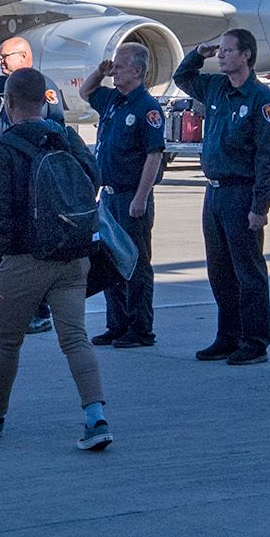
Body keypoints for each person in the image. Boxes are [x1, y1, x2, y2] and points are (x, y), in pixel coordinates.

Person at [0, 67, 112, 450]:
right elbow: (94, 176)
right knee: (75, 338)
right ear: (44, 102)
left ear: (8, 102)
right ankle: (95, 417)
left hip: (23, 258)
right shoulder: (67, 137)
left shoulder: (2, 148)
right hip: (72, 254)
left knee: (7, 339)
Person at [173, 30, 270, 365]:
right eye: (219, 50)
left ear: (246, 55)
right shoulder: (215, 87)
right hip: (215, 191)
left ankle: (255, 341)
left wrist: (260, 206)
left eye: (227, 50)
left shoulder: (261, 99)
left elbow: (268, 158)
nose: (220, 55)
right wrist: (198, 53)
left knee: (247, 270)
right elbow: (182, 77)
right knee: (219, 270)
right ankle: (228, 335)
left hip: (241, 191)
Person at [0, 37, 64, 333]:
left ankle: (38, 311)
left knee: (28, 245)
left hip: (28, 174)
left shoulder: (40, 87)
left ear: (24, 56)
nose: (0, 61)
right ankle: (11, 310)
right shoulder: (1, 84)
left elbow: (55, 129)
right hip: (3, 167)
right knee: (5, 241)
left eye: (5, 56)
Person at [78, 43, 166, 349]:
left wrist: (141, 197)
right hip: (109, 196)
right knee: (109, 261)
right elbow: (86, 92)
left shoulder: (147, 108)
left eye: (120, 66)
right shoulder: (113, 100)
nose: (114, 71)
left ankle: (140, 329)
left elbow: (154, 156)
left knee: (135, 263)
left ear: (137, 71)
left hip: (131, 196)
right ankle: (116, 325)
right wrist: (99, 72)